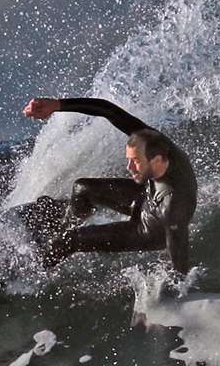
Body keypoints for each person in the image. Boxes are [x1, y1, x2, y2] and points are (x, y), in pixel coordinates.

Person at [20, 96, 196, 275]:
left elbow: (178, 251)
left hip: (148, 229)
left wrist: (178, 284)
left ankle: (33, 271)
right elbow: (109, 111)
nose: (129, 167)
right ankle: (62, 225)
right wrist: (57, 105)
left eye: (136, 162)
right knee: (82, 187)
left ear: (156, 160)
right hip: (145, 197)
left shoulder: (172, 204)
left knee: (71, 240)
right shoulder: (152, 142)